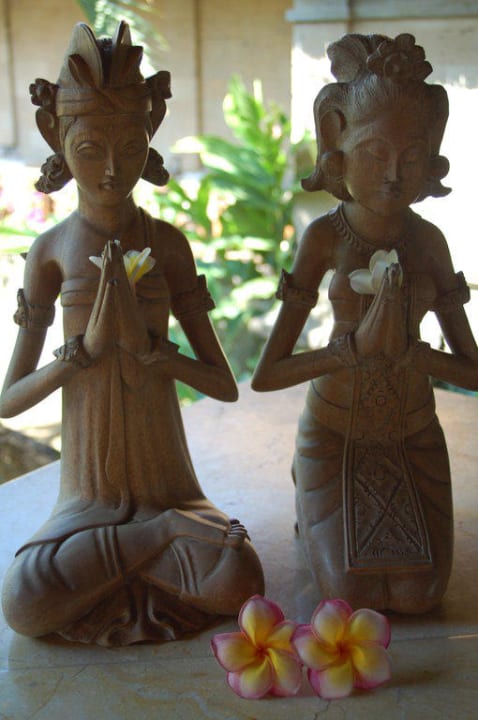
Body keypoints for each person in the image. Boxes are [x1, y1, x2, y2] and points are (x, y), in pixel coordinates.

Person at [0, 22, 263, 646]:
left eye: (131, 145)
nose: (113, 169)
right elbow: (7, 401)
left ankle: (157, 534)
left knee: (240, 579)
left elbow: (223, 384)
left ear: (151, 135)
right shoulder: (50, 253)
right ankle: (157, 538)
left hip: (170, 490)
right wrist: (78, 356)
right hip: (84, 504)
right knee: (24, 602)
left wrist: (156, 354)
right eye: (91, 149)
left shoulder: (167, 246)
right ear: (56, 137)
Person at [252, 33, 478, 613]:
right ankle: (308, 480)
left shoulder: (429, 242)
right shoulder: (324, 238)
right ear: (337, 146)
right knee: (352, 595)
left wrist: (415, 355)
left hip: (411, 429)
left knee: (419, 594)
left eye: (412, 157)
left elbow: (473, 372)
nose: (394, 175)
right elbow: (268, 374)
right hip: (336, 428)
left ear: (431, 158)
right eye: (376, 154)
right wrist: (346, 352)